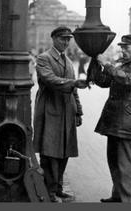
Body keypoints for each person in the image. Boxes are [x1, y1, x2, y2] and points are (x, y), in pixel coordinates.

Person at [92, 34, 131, 203]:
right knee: (114, 161)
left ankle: (129, 201)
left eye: (126, 48)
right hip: (113, 118)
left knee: (126, 165)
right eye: (122, 47)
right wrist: (95, 63)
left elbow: (129, 80)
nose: (123, 50)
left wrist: (108, 65)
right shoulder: (120, 65)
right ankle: (118, 196)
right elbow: (103, 82)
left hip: (126, 120)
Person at [33, 26, 88, 202]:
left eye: (68, 39)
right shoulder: (44, 58)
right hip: (50, 110)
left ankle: (57, 188)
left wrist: (78, 111)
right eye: (62, 39)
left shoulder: (69, 61)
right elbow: (50, 80)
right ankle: (48, 192)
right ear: (54, 39)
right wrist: (73, 83)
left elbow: (74, 91)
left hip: (66, 112)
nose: (65, 42)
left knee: (64, 151)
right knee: (49, 153)